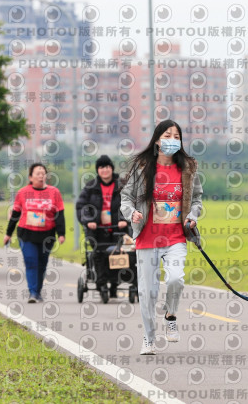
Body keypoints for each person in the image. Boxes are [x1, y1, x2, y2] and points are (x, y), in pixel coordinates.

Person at [120, 120, 203, 355]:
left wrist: (193, 215)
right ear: (157, 140)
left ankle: (170, 315)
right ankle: (149, 338)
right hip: (147, 238)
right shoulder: (142, 167)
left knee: (176, 279)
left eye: (177, 137)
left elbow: (196, 199)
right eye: (167, 136)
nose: (172, 140)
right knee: (148, 293)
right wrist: (132, 213)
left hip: (175, 237)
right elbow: (126, 197)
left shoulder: (188, 169)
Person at [4, 163, 65, 303]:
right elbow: (15, 214)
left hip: (47, 234)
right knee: (31, 261)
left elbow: (59, 214)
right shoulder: (23, 192)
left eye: (43, 173)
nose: (41, 176)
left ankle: (37, 291)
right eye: (37, 173)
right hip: (27, 233)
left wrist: (61, 234)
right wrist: (8, 233)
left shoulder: (54, 192)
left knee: (42, 264)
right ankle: (32, 292)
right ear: (31, 177)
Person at [76, 155, 129, 298]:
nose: (104, 170)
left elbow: (130, 203)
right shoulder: (90, 187)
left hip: (118, 229)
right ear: (97, 170)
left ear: (112, 168)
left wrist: (124, 219)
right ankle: (101, 283)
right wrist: (89, 221)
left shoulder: (122, 185)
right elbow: (81, 206)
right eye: (101, 167)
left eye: (107, 167)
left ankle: (114, 283)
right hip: (97, 230)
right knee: (98, 254)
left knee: (118, 254)